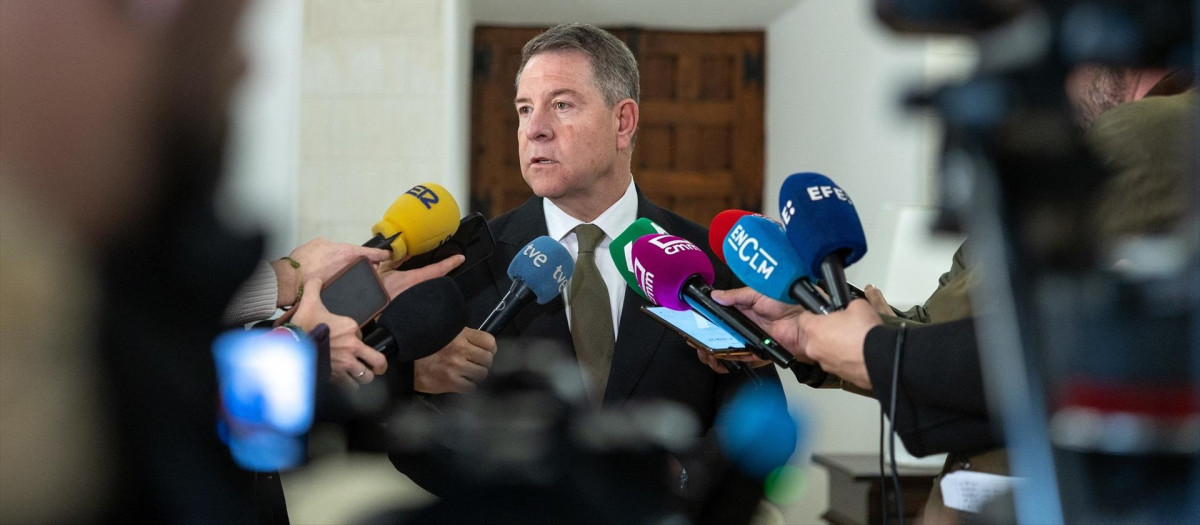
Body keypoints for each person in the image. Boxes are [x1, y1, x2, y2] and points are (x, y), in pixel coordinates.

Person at [389, 23, 779, 505]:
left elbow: (758, 417)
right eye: (525, 109)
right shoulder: (465, 263)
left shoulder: (708, 263)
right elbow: (410, 428)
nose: (535, 129)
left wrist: (684, 485)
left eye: (562, 104)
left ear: (623, 122)